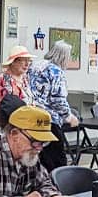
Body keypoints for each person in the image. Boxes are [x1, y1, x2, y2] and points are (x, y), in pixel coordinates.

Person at [29, 40, 79, 172]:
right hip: (49, 120)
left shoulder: (35, 66)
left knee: (39, 155)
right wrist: (68, 116)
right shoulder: (56, 72)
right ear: (63, 57)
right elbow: (57, 99)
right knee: (57, 160)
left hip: (31, 117)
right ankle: (56, 186)